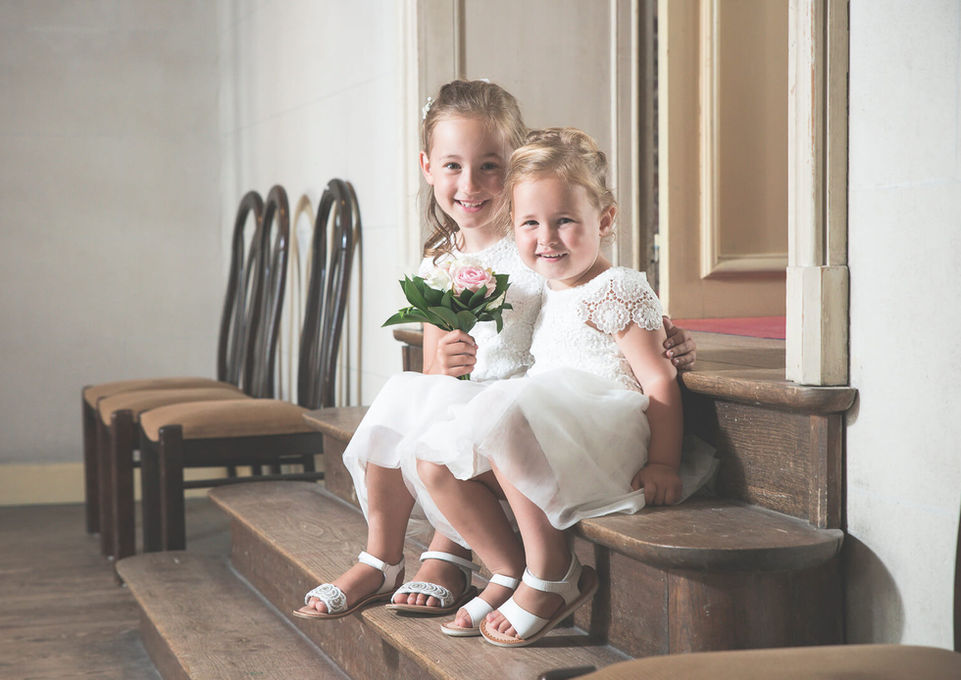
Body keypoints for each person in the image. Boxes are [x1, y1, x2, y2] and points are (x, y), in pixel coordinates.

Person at [293, 81, 697, 621]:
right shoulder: (440, 264)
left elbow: (600, 315)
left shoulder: (536, 249)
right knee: (406, 397)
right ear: (427, 167)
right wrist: (443, 364)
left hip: (532, 406)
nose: (471, 184)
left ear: (518, 165)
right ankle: (382, 556)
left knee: (472, 419)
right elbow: (434, 366)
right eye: (453, 166)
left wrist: (671, 342)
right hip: (480, 405)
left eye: (491, 166)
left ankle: (453, 551)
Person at [410, 128, 717, 646]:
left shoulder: (617, 286)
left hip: (603, 436)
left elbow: (659, 377)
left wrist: (663, 461)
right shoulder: (545, 286)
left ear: (605, 219)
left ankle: (553, 572)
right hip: (551, 427)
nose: (546, 238)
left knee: (507, 410)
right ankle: (508, 569)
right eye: (530, 223)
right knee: (434, 462)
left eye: (565, 221)